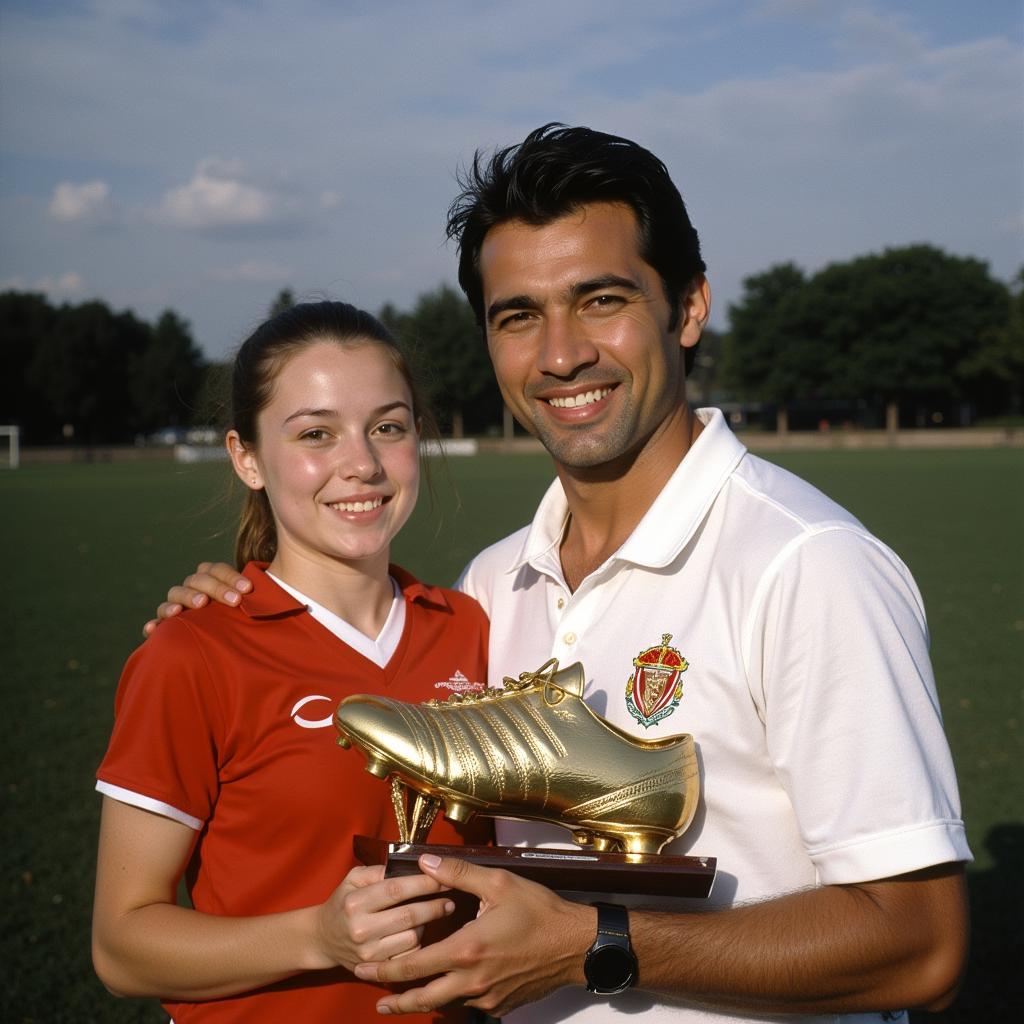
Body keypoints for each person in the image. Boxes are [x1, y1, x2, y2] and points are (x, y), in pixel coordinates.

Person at [148, 126, 971, 1024]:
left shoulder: (807, 564)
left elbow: (918, 943)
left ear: (688, 307)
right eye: (519, 316)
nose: (560, 354)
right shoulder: (496, 581)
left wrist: (593, 945)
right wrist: (231, 608)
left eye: (601, 299)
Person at [93, 301, 490, 1023]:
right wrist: (317, 935)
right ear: (246, 456)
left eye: (388, 428)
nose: (362, 464)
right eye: (317, 433)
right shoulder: (192, 652)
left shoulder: (473, 632)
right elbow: (121, 947)